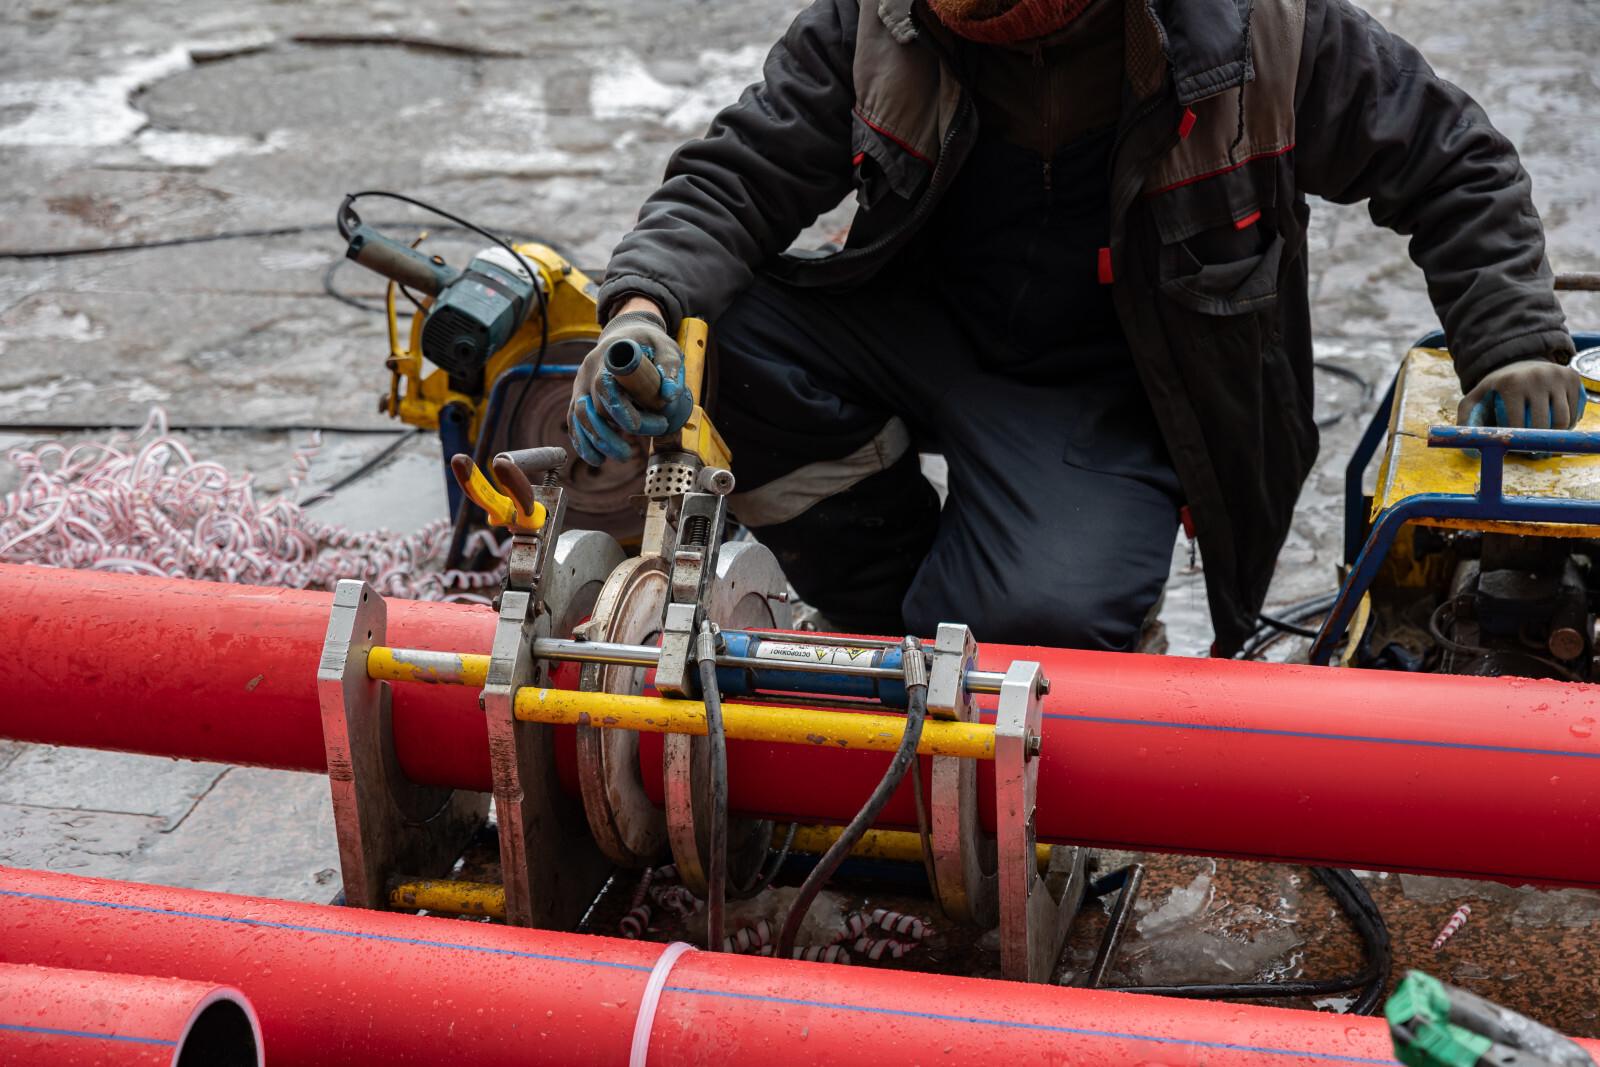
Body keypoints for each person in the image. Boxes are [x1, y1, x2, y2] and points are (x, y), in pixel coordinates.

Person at [567, 0, 1584, 655]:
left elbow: (1451, 161)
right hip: (922, 331)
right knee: (726, 336)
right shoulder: (879, 24)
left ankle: (984, 612)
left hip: (1115, 387)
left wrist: (1514, 340)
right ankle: (885, 621)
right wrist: (645, 306)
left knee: (1027, 629)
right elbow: (734, 179)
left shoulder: (1260, 34)